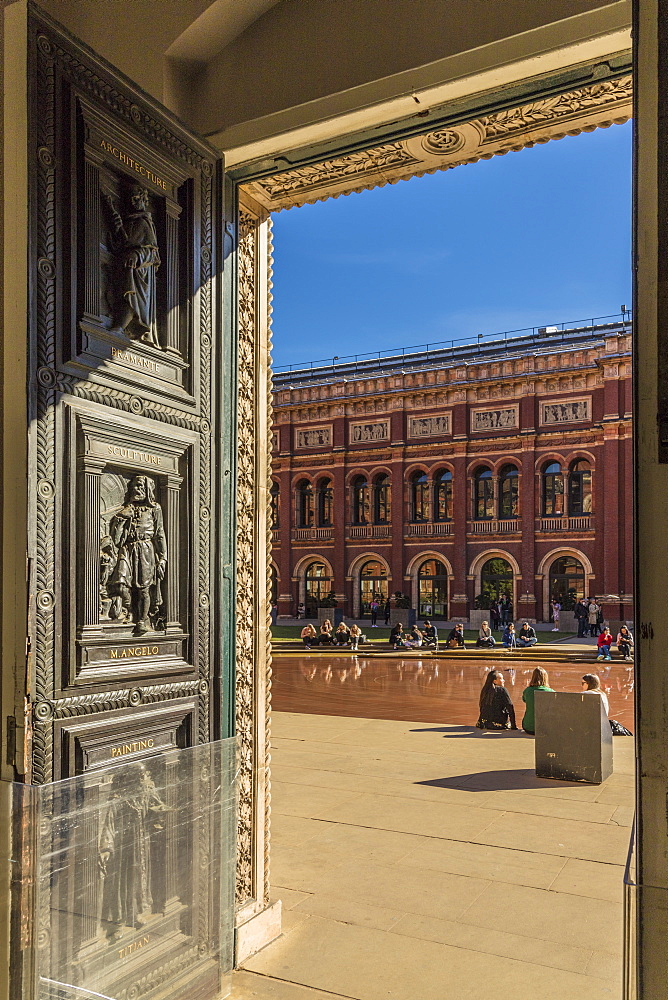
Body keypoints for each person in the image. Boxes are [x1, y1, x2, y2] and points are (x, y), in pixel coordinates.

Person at [521, 667, 554, 734]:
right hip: (544, 728)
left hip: (528, 727)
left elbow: (524, 700)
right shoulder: (550, 692)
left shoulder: (527, 691)